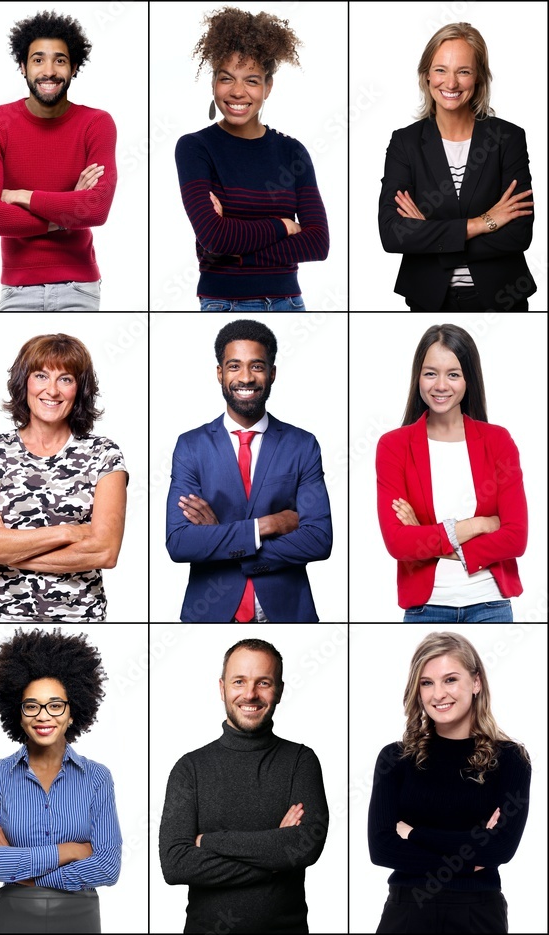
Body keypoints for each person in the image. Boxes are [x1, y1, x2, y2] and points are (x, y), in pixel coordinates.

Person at [165, 319, 332, 622]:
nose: (246, 378)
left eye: (256, 367)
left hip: (288, 612)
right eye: (234, 366)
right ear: (219, 373)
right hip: (209, 611)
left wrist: (219, 539)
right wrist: (267, 525)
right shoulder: (190, 446)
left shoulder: (302, 445)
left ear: (272, 373)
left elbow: (319, 540)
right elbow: (179, 543)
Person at [159, 638, 328, 934]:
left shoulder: (301, 761)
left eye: (263, 683)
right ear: (222, 688)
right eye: (239, 681)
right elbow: (176, 865)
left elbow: (304, 847)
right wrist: (275, 860)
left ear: (279, 690)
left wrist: (209, 841)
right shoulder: (190, 768)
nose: (250, 694)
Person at [368, 631, 530, 933]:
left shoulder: (510, 758)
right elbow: (382, 850)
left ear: (476, 682)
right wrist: (470, 854)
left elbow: (500, 850)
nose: (438, 694)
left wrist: (413, 833)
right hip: (406, 913)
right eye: (427, 683)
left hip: (478, 913)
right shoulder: (395, 758)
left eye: (450, 679)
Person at [0, 334, 127, 621]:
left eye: (65, 379)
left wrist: (7, 547)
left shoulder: (104, 453)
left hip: (81, 617)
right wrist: (70, 532)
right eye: (41, 376)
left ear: (79, 389)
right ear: (24, 381)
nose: (52, 390)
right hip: (2, 617)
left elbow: (104, 552)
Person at [175, 7, 328, 311]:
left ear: (268, 87)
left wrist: (235, 249)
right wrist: (283, 225)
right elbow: (214, 238)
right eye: (226, 78)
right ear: (213, 83)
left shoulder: (293, 152)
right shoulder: (195, 148)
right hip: (224, 303)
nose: (237, 92)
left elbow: (318, 243)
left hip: (288, 302)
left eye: (252, 81)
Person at [0, 628, 121, 933]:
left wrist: (22, 870)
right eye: (31, 705)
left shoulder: (97, 778)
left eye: (55, 705)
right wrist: (70, 850)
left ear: (72, 713)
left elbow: (107, 866)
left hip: (80, 916)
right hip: (13, 916)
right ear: (18, 712)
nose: (43, 716)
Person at [378, 23, 535, 311]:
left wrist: (430, 237)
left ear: (478, 78)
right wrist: (483, 223)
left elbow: (519, 233)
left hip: (503, 299)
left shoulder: (509, 138)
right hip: (428, 299)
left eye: (463, 71)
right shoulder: (405, 143)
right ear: (426, 75)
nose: (450, 84)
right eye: (441, 70)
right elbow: (392, 234)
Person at [376, 324, 527, 622]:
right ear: (417, 376)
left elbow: (516, 538)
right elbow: (398, 543)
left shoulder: (498, 441)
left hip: (490, 605)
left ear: (469, 378)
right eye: (431, 373)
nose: (441, 385)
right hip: (425, 608)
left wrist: (425, 533)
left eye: (454, 374)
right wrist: (480, 524)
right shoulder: (393, 445)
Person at [0, 11, 116, 311]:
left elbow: (97, 210)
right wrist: (66, 212)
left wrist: (20, 196)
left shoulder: (97, 124)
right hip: (18, 288)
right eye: (38, 60)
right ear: (22, 67)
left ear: (74, 67)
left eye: (60, 60)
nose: (49, 71)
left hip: (80, 286)